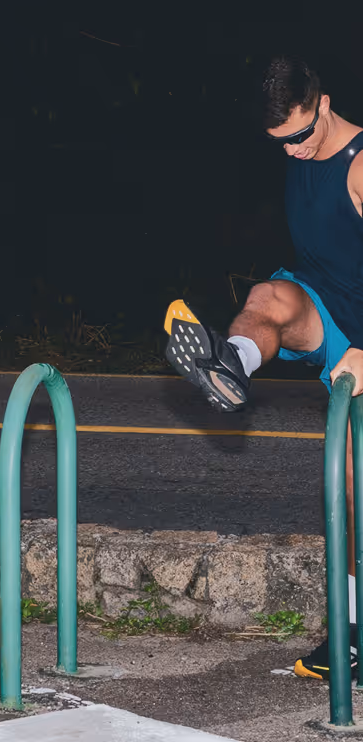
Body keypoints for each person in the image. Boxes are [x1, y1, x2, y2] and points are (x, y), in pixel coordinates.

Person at [164, 55, 363, 680]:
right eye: (280, 143)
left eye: (302, 136)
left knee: (355, 495)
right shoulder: (295, 150)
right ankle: (231, 363)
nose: (295, 152)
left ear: (324, 104)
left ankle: (356, 635)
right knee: (266, 300)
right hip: (328, 310)